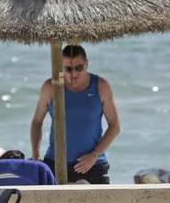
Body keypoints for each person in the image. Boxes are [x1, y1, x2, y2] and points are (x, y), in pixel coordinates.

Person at [30, 45, 120, 184]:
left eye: (79, 68)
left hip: (92, 164)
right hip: (55, 162)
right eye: (68, 69)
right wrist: (36, 155)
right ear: (61, 67)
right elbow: (37, 122)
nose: (74, 74)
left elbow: (114, 126)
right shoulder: (51, 87)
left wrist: (94, 155)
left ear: (86, 64)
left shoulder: (101, 86)